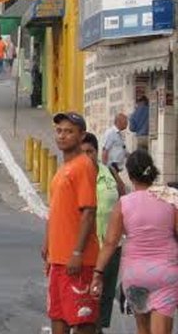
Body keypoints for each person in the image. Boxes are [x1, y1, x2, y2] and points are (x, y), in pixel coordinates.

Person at [90, 150, 178, 334]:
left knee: (142, 329)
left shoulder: (124, 203)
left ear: (129, 175)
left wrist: (97, 273)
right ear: (152, 171)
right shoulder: (170, 197)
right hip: (165, 273)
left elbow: (110, 243)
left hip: (135, 274)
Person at [43, 111, 100, 334]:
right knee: (57, 316)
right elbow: (56, 211)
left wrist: (77, 252)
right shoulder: (62, 170)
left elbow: (89, 212)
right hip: (58, 260)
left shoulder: (83, 165)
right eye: (59, 131)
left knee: (82, 319)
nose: (62, 136)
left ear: (81, 135)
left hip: (79, 261)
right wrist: (48, 246)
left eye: (69, 132)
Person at [81, 132, 126, 334]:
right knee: (87, 299)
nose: (86, 156)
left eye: (90, 151)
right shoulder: (76, 176)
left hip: (111, 247)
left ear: (97, 152)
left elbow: (123, 194)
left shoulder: (109, 171)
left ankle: (98, 330)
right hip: (87, 248)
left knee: (105, 296)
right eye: (82, 153)